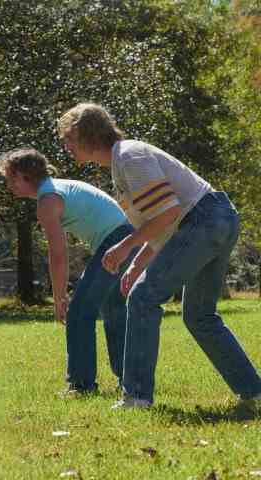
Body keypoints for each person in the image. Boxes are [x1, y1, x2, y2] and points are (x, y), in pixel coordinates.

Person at [57, 102, 261, 409]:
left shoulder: (129, 156)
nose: (65, 146)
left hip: (203, 221)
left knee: (143, 298)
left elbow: (169, 213)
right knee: (199, 316)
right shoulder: (122, 160)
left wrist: (125, 247)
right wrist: (137, 263)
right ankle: (253, 392)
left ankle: (137, 396)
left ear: (84, 134)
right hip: (214, 220)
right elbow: (163, 222)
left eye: (68, 138)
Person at [0, 147, 132, 395]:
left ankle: (81, 386)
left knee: (79, 311)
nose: (8, 186)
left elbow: (58, 256)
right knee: (114, 310)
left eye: (10, 178)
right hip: (127, 238)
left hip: (118, 241)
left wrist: (60, 297)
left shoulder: (48, 201)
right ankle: (130, 382)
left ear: (24, 176)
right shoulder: (54, 189)